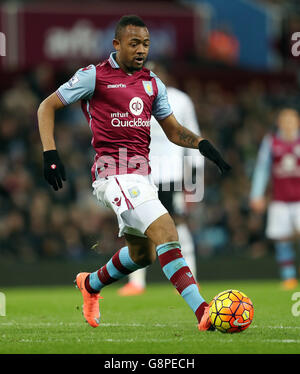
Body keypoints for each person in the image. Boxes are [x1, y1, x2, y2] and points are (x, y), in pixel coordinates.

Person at [37, 15, 231, 330]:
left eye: (145, 44)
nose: (141, 49)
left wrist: (203, 145)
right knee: (168, 231)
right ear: (116, 44)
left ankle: (91, 284)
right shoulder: (94, 77)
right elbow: (46, 106)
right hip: (113, 174)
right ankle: (204, 311)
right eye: (134, 43)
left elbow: (172, 130)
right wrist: (50, 153)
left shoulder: (153, 84)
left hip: (141, 177)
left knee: (143, 255)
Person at [118, 61, 204, 296]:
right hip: (139, 174)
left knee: (178, 225)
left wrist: (193, 176)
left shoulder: (180, 100)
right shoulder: (129, 97)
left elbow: (192, 136)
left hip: (170, 174)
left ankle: (190, 278)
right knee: (135, 224)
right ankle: (136, 282)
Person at [250, 107, 300, 290]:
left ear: (297, 122)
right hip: (280, 199)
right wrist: (257, 194)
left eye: (292, 120)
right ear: (279, 122)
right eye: (285, 120)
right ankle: (289, 278)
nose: (288, 124)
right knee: (282, 238)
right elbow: (262, 169)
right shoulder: (271, 141)